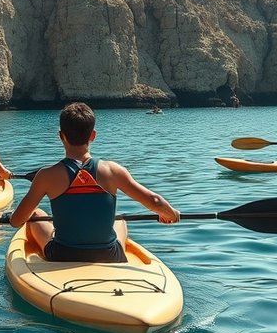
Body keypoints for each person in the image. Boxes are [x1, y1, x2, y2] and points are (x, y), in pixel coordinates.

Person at [9, 102, 179, 263]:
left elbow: (16, 221)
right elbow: (154, 201)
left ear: (61, 136)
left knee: (37, 213)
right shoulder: (113, 171)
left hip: (63, 254)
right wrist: (170, 214)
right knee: (119, 219)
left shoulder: (46, 175)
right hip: (109, 255)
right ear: (93, 135)